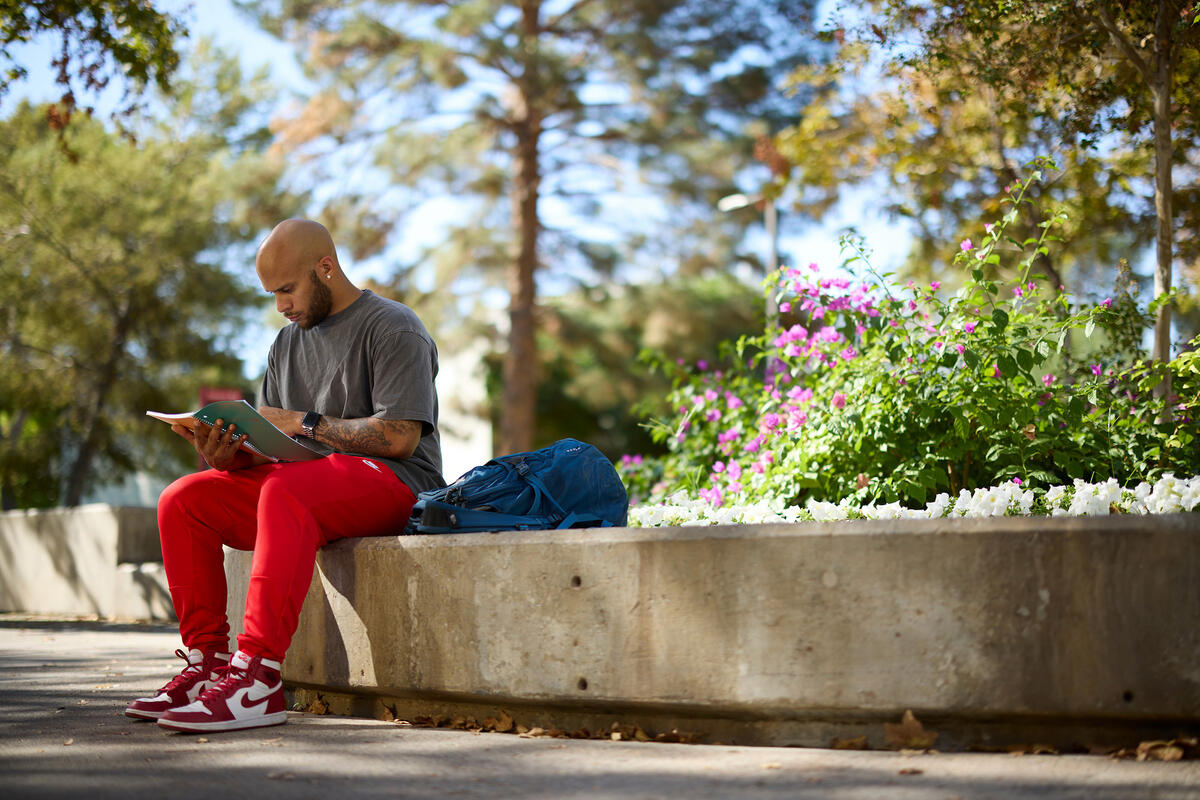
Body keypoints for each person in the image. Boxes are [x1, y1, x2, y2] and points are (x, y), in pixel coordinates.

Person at [126, 219, 445, 733]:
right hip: (303, 482)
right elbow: (278, 449)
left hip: (394, 483)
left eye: (286, 289)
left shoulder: (394, 326)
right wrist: (228, 454)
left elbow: (401, 436)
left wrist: (302, 421)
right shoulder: (285, 344)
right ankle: (208, 667)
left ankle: (258, 677)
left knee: (284, 489)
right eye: (272, 294)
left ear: (326, 268)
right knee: (183, 499)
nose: (281, 305)